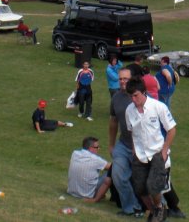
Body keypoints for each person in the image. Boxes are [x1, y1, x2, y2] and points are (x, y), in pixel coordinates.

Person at [126, 77, 177, 222]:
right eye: (131, 96)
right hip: (140, 155)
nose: (134, 99)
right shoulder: (129, 110)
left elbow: (172, 129)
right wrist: (134, 150)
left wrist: (164, 150)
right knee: (140, 188)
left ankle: (160, 208)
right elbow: (131, 131)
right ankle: (155, 210)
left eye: (136, 95)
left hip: (157, 152)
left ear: (144, 92)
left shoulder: (158, 106)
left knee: (153, 186)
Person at [108, 67, 144, 218]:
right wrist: (111, 144)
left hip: (142, 146)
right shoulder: (116, 98)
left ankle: (159, 210)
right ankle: (131, 208)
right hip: (123, 144)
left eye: (126, 79)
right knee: (117, 175)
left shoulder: (139, 97)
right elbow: (113, 121)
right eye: (120, 79)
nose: (122, 82)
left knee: (146, 181)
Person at [67, 136, 112, 202]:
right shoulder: (95, 159)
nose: (99, 149)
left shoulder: (75, 153)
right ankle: (96, 199)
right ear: (91, 148)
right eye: (97, 147)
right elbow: (112, 167)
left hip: (72, 192)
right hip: (88, 194)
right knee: (112, 173)